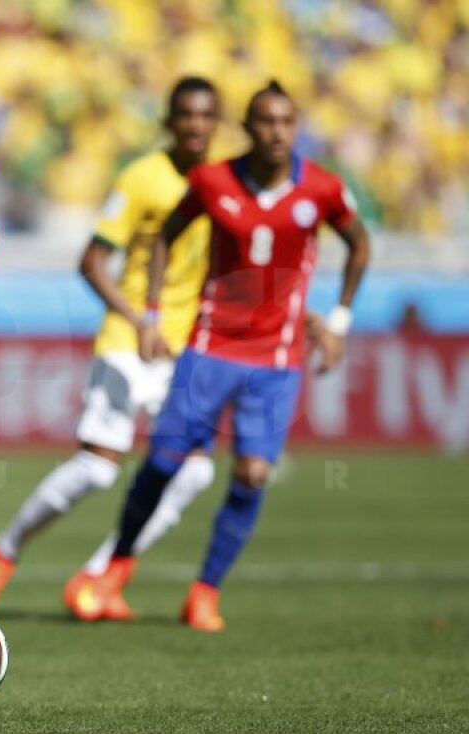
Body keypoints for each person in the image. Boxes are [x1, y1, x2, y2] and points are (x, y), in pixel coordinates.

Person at [105, 80, 369, 631]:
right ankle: (117, 565)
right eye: (266, 122)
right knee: (163, 461)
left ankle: (204, 592)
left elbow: (359, 244)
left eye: (286, 122)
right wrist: (151, 313)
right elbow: (164, 237)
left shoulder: (321, 188)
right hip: (210, 346)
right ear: (247, 129)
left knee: (252, 473)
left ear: (296, 128)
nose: (277, 132)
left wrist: (339, 320)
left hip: (275, 359)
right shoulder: (212, 180)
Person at [0, 77, 221, 620]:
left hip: (185, 349)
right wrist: (138, 318)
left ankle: (104, 574)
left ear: (216, 123)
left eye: (206, 116)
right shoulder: (142, 179)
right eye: (186, 115)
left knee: (195, 470)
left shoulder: (223, 184)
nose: (196, 125)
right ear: (170, 122)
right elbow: (91, 261)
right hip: (131, 339)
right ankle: (2, 554)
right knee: (99, 468)